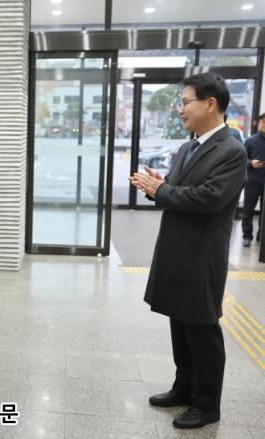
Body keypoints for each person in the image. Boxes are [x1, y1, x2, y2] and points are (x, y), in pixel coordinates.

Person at [130, 72, 246, 429]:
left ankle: (208, 405)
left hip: (201, 255)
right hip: (177, 249)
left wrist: (163, 191)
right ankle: (184, 388)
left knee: (202, 329)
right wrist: (158, 186)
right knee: (179, 323)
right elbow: (178, 190)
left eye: (185, 102)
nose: (180, 109)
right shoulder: (188, 147)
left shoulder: (232, 150)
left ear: (210, 104)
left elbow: (209, 199)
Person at [241, 112, 265, 247]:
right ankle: (247, 236)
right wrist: (251, 163)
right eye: (263, 121)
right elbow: (241, 159)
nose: (264, 124)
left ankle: (261, 235)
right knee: (248, 210)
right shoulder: (250, 141)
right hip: (253, 181)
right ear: (259, 123)